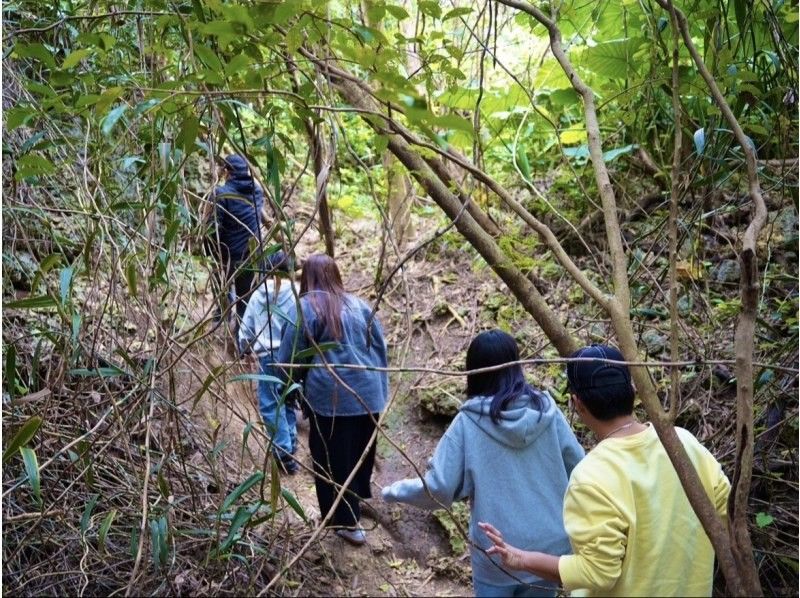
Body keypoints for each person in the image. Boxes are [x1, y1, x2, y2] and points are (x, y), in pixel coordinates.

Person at [479, 344, 731, 597]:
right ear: (633, 390)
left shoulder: (591, 477)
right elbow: (725, 517)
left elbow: (598, 573)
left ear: (578, 404)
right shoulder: (682, 443)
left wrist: (522, 559)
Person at [382, 329, 585, 597]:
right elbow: (581, 470)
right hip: (547, 551)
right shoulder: (548, 412)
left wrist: (392, 491)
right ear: (515, 365)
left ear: (473, 371)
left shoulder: (469, 422)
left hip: (496, 551)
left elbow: (439, 488)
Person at [276, 254, 389, 546]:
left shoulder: (305, 308)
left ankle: (346, 522)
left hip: (333, 399)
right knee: (356, 456)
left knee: (331, 459)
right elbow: (379, 349)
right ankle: (350, 512)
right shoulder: (360, 305)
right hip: (369, 394)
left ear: (308, 279)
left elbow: (289, 358)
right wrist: (379, 391)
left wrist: (287, 387)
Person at [239, 250, 300, 474]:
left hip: (268, 356)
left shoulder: (258, 295)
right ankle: (291, 442)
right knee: (288, 397)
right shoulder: (296, 294)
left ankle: (283, 452)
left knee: (270, 402)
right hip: (292, 356)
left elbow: (246, 329)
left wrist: (244, 350)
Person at [209, 153, 264, 323]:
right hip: (253, 254)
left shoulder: (221, 193)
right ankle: (242, 342)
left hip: (228, 255)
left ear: (227, 171)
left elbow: (214, 228)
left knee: (222, 288)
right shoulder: (257, 191)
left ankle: (222, 318)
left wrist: (209, 250)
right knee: (245, 304)